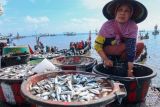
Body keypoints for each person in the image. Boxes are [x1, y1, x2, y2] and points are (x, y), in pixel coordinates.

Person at [94, 0, 147, 77]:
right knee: (125, 46)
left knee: (140, 44)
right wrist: (105, 59)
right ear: (115, 12)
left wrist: (130, 70)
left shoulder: (133, 26)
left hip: (122, 49)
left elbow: (131, 49)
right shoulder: (107, 25)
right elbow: (97, 45)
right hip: (108, 50)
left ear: (130, 14)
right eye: (120, 10)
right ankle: (112, 62)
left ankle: (123, 63)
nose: (122, 13)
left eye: (126, 11)